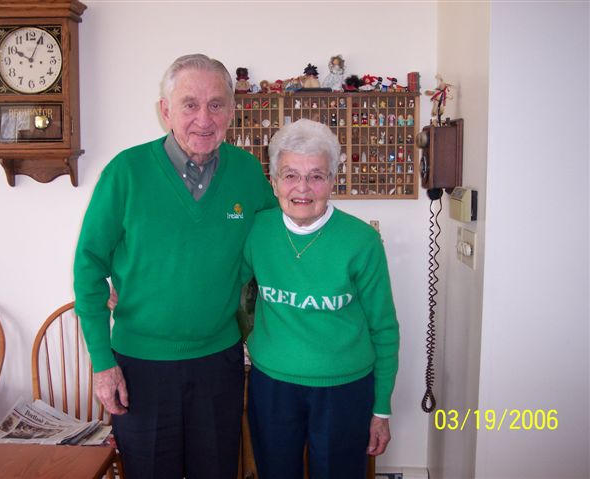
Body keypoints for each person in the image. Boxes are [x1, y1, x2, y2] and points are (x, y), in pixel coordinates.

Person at [73, 53, 276, 479]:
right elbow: (89, 265)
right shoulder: (125, 173)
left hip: (219, 364)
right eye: (189, 104)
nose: (204, 118)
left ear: (232, 112)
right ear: (165, 110)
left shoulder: (247, 174)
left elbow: (274, 247)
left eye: (216, 104)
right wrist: (101, 361)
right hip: (139, 367)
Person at [241, 119, 400, 479]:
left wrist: (382, 409)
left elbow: (385, 329)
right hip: (273, 387)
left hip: (343, 391)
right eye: (290, 174)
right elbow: (219, 283)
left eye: (316, 176)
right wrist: (135, 288)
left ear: (332, 180)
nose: (302, 188)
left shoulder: (361, 241)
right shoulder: (258, 231)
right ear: (274, 180)